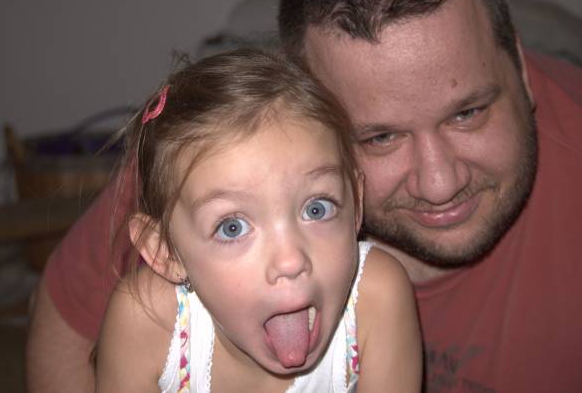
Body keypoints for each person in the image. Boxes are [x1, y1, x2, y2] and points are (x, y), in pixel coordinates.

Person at [27, 0, 582, 392]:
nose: (440, 184)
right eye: (380, 137)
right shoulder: (215, 157)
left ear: (521, 69)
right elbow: (66, 321)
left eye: (468, 113)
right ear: (310, 111)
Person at [93, 49, 421, 392]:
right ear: (165, 251)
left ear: (355, 202)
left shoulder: (376, 299)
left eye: (317, 209)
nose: (290, 260)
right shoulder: (147, 323)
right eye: (232, 228)